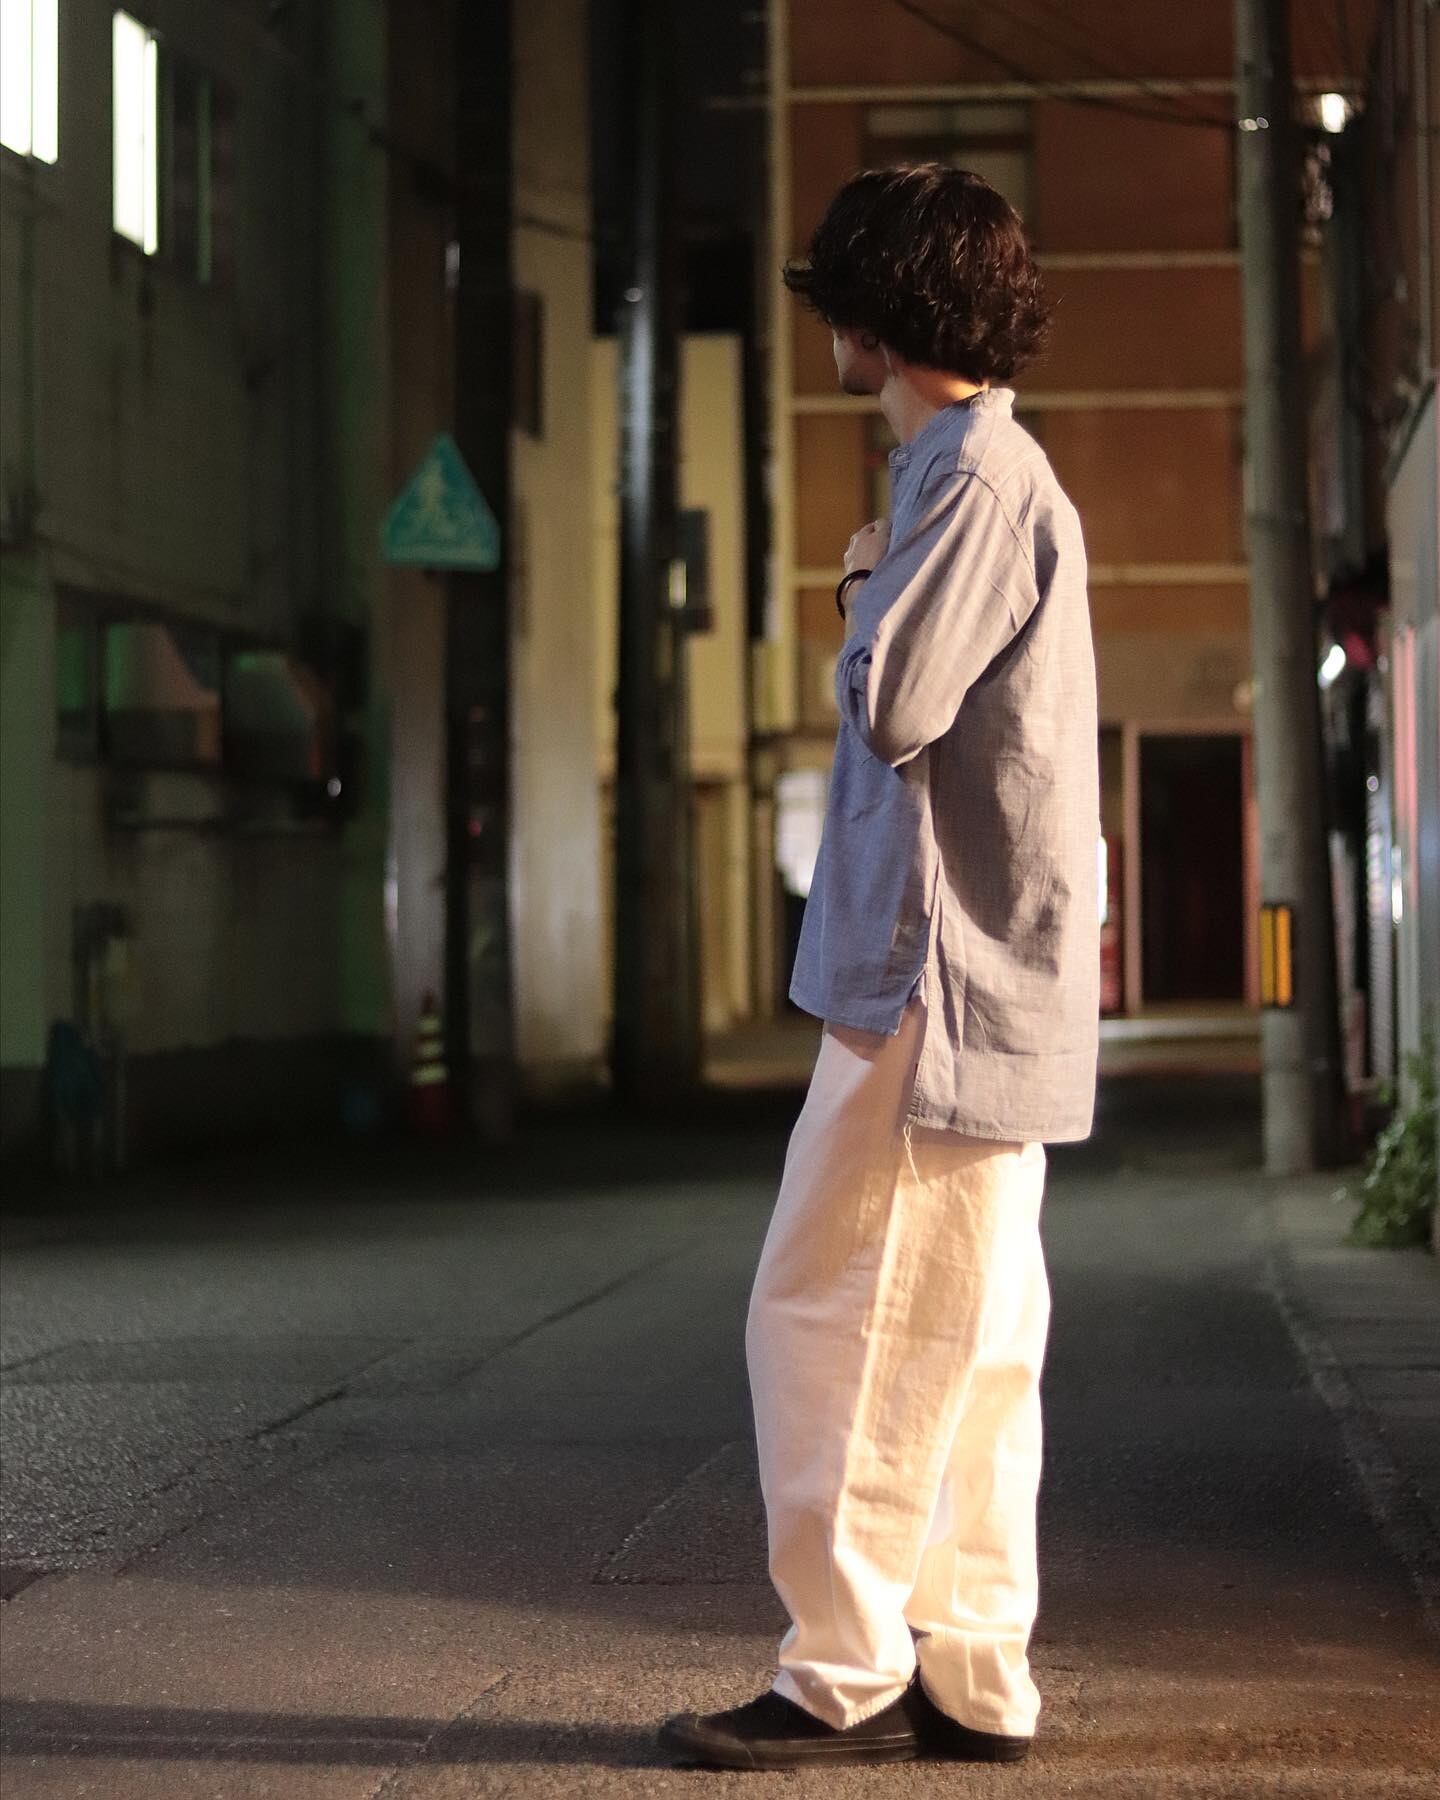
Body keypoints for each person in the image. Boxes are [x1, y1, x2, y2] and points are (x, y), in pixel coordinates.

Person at [659, 163, 1100, 1771]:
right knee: (972, 1341)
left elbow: (895, 701)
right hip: (987, 980)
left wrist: (859, 587)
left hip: (933, 977)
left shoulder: (968, 478)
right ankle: (974, 1677)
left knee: (829, 1315)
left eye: (837, 302)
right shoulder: (997, 472)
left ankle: (838, 1676)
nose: (826, 331)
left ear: (879, 318)